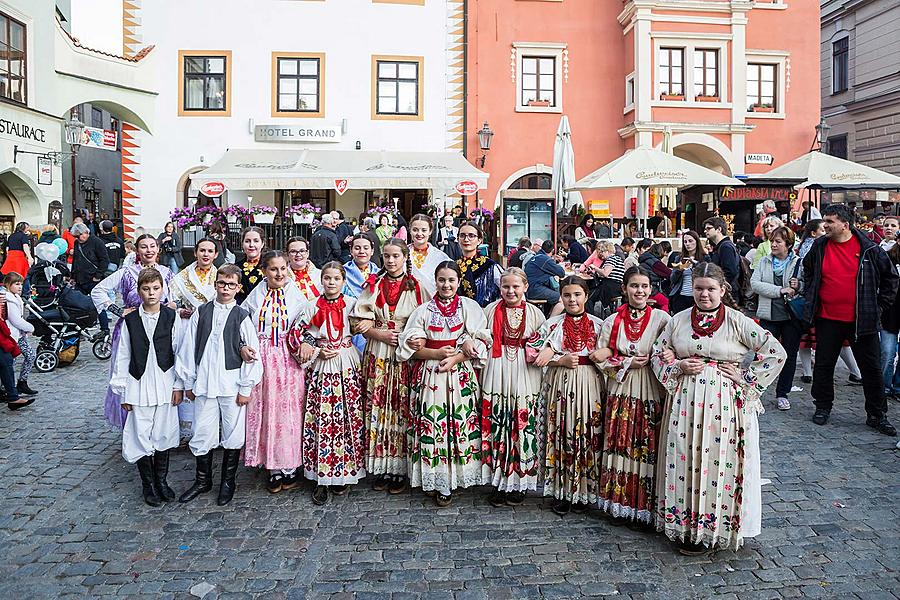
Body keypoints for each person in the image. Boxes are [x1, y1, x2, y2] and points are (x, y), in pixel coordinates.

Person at [651, 262, 785, 554]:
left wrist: (745, 378)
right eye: (698, 288)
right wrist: (677, 364)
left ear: (723, 290)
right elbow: (658, 354)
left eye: (711, 289)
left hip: (724, 406)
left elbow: (775, 353)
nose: (704, 294)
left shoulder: (738, 321)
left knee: (717, 462)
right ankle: (685, 526)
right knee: (685, 460)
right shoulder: (679, 320)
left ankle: (713, 528)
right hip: (685, 402)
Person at [801, 204, 897, 436]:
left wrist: (879, 307)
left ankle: (877, 414)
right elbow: (808, 269)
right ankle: (822, 406)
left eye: (830, 221)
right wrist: (813, 295)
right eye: (825, 220)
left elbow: (891, 279)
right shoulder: (820, 245)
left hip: (861, 321)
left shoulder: (869, 249)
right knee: (824, 365)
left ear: (845, 224)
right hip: (827, 318)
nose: (825, 225)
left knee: (871, 368)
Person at [397, 261, 487, 507]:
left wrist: (458, 356)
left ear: (459, 282)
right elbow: (409, 349)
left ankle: (456, 476)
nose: (446, 285)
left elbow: (480, 341)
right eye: (441, 280)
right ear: (435, 282)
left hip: (458, 373)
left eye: (451, 280)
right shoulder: (424, 310)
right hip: (431, 373)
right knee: (433, 423)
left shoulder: (469, 307)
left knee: (458, 422)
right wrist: (433, 353)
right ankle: (436, 478)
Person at [176, 264, 262, 506]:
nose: (226, 288)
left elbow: (253, 353)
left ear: (238, 288)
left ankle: (228, 482)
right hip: (204, 384)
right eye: (222, 283)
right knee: (202, 431)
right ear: (215, 284)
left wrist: (246, 388)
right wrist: (190, 382)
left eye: (231, 284)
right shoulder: (201, 313)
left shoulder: (241, 316)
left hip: (231, 385)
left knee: (233, 434)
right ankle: (202, 481)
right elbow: (187, 349)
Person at [591, 267, 670, 526]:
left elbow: (671, 351)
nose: (640, 291)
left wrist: (657, 359)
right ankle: (620, 504)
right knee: (621, 441)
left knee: (646, 444)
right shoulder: (613, 320)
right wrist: (626, 363)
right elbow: (600, 357)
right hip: (622, 388)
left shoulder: (661, 319)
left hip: (650, 387)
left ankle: (645, 507)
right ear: (624, 289)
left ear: (651, 289)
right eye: (634, 286)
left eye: (644, 286)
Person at [352, 238, 427, 495]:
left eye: (396, 255)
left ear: (406, 257)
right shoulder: (374, 285)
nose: (391, 260)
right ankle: (382, 466)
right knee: (378, 406)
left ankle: (400, 469)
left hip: (405, 355)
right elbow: (357, 321)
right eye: (386, 256)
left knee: (401, 408)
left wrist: (412, 337)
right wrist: (377, 333)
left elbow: (427, 319)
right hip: (379, 352)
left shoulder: (418, 287)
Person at [290, 262, 365, 505]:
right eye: (327, 278)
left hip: (346, 363)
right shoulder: (312, 305)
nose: (331, 282)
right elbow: (304, 334)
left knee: (346, 418)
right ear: (321, 280)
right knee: (322, 418)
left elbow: (365, 324)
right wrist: (314, 351)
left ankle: (343, 472)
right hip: (323, 365)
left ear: (344, 281)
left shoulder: (352, 305)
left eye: (336, 278)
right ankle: (320, 475)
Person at [473, 268, 546, 507]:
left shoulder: (535, 314)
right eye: (506, 286)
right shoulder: (490, 310)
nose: (511, 291)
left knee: (521, 423)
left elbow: (544, 343)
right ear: (499, 287)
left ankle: (520, 481)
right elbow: (481, 337)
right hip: (497, 366)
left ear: (525, 287)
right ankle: (498, 480)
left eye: (516, 286)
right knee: (498, 422)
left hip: (525, 370)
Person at [110, 269, 184, 506]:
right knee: (141, 432)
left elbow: (179, 351)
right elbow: (123, 355)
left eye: (155, 288)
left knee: (163, 431)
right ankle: (148, 483)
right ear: (139, 291)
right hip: (139, 381)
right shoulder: (130, 320)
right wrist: (122, 390)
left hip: (164, 379)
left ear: (162, 289)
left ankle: (161, 481)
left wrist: (179, 385)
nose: (151, 293)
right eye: (146, 289)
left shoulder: (171, 317)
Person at [532, 275, 604, 516]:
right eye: (567, 295)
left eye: (577, 295)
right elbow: (533, 351)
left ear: (586, 296)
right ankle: (561, 491)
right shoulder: (552, 325)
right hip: (560, 383)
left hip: (589, 383)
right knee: (560, 433)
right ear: (560, 297)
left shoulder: (598, 324)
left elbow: (610, 352)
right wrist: (556, 358)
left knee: (586, 434)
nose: (572, 299)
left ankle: (583, 490)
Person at [241, 250, 310, 492]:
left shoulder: (297, 296)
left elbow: (309, 324)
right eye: (273, 269)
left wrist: (306, 342)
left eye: (283, 268)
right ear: (264, 271)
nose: (279, 273)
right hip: (262, 358)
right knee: (266, 409)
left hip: (287, 359)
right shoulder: (255, 296)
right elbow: (244, 325)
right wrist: (244, 346)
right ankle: (272, 466)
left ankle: (289, 465)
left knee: (288, 410)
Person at [93, 235, 175, 428]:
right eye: (144, 247)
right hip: (131, 328)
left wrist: (173, 305)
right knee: (130, 370)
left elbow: (175, 298)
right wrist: (117, 310)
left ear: (158, 249)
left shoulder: (167, 273)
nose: (149, 250)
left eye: (152, 246)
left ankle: (158, 421)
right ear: (137, 250)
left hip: (159, 329)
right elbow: (98, 290)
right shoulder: (128, 272)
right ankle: (131, 421)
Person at [751, 227, 803, 411]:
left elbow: (807, 284)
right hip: (769, 315)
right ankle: (754, 390)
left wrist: (799, 285)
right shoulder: (764, 261)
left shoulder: (798, 262)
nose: (773, 244)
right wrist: (779, 291)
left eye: (778, 241)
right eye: (772, 241)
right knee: (763, 354)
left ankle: (783, 393)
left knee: (788, 355)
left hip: (791, 316)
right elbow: (755, 284)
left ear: (788, 244)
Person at [71, 223, 111, 334]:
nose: (78, 239)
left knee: (99, 304)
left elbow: (104, 260)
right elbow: (76, 259)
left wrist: (98, 275)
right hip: (80, 279)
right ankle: (81, 329)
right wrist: (73, 276)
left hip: (93, 279)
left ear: (85, 233)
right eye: (76, 237)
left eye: (79, 236)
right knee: (78, 304)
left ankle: (104, 329)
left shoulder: (97, 242)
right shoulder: (77, 243)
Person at [3, 272, 36, 397]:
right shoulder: (9, 299)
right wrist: (30, 327)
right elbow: (15, 319)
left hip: (20, 335)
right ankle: (6, 387)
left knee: (30, 355)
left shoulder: (16, 298)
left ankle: (22, 381)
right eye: (17, 284)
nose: (20, 286)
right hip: (12, 336)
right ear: (8, 284)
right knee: (10, 363)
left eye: (21, 284)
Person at [457, 221, 502, 307]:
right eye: (462, 235)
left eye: (471, 236)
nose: (466, 239)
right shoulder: (455, 266)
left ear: (479, 240)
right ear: (458, 239)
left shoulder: (489, 266)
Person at [407, 214, 451, 298]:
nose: (419, 234)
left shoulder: (440, 257)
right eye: (415, 230)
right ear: (410, 231)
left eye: (424, 230)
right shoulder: (402, 254)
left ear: (430, 231)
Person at [171, 238, 218, 314]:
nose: (206, 254)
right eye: (202, 250)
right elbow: (172, 303)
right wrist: (181, 311)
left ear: (216, 254)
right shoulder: (180, 278)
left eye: (210, 251)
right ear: (195, 253)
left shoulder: (220, 277)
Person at [668, 230, 706, 315]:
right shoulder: (679, 258)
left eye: (690, 241)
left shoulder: (704, 258)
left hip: (697, 296)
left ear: (697, 241)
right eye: (685, 242)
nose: (687, 244)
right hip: (681, 295)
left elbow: (706, 275)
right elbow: (672, 279)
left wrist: (695, 264)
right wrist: (679, 270)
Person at [703, 216, 740, 295]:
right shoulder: (720, 246)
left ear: (719, 229)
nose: (705, 231)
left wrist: (719, 287)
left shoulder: (726, 247)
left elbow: (730, 272)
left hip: (727, 292)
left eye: (708, 228)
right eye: (705, 229)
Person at [581, 241, 624, 307]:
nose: (601, 255)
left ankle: (589, 315)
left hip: (610, 288)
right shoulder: (617, 259)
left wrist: (594, 267)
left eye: (602, 252)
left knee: (588, 298)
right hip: (617, 287)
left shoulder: (611, 259)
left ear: (607, 251)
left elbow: (605, 273)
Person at [524, 239, 565, 307]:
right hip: (534, 289)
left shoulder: (536, 257)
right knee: (561, 298)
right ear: (552, 250)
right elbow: (561, 272)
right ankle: (552, 317)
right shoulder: (545, 259)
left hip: (528, 288)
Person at [234, 227, 266, 305]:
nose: (251, 245)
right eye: (247, 241)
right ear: (242, 244)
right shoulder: (235, 268)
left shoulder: (269, 267)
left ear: (262, 244)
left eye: (256, 241)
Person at [342, 235, 379, 300]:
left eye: (366, 248)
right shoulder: (342, 273)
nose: (361, 251)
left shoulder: (379, 273)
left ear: (372, 251)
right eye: (357, 248)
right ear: (351, 251)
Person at [286, 237, 322, 302]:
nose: (298, 254)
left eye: (302, 251)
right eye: (293, 251)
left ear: (307, 253)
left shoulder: (320, 275)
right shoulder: (282, 277)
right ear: (287, 255)